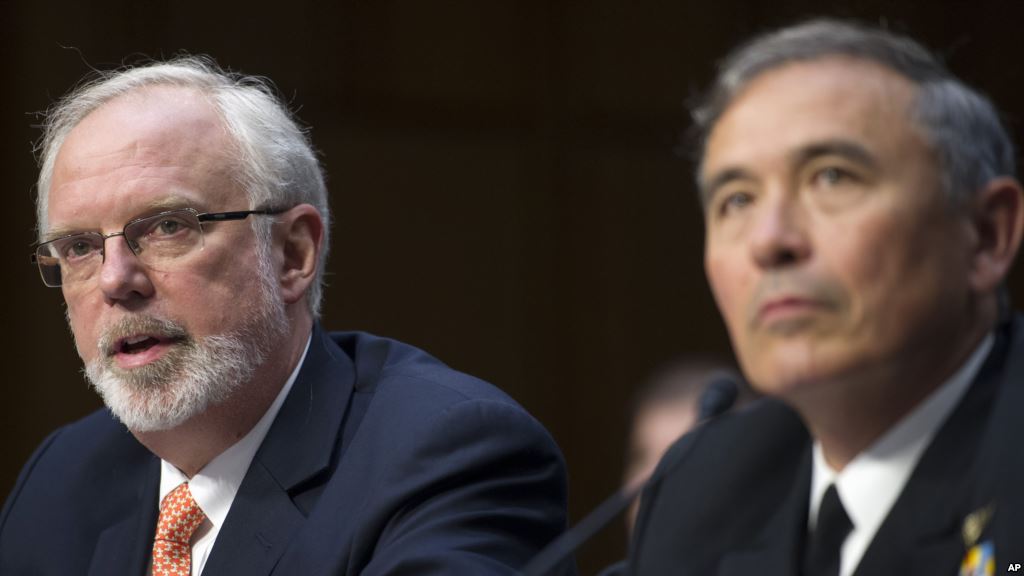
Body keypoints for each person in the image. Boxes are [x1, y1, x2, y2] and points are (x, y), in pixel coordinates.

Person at [0, 56, 570, 575]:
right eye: (78, 246)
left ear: (293, 254)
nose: (115, 279)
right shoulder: (62, 478)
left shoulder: (445, 459)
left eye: (169, 227)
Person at [628, 19, 1024, 576]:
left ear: (986, 235)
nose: (770, 241)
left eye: (832, 177)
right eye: (737, 200)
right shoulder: (704, 488)